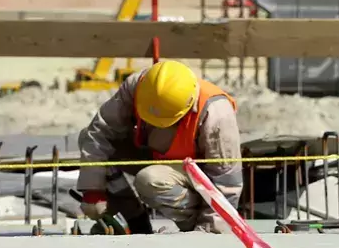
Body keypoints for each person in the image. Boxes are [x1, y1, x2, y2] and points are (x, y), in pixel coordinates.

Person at [77, 60, 242, 232]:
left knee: (150, 180)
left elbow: (226, 182)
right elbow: (100, 133)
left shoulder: (216, 113)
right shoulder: (140, 87)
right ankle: (133, 219)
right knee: (91, 140)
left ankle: (194, 224)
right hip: (157, 155)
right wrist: (93, 190)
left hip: (196, 176)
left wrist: (207, 230)